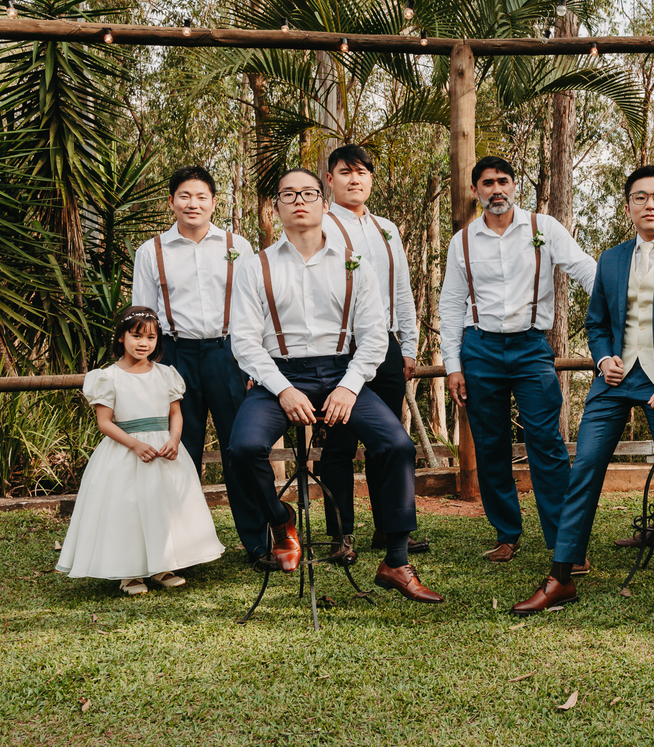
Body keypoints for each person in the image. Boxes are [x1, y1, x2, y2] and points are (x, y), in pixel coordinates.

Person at [510, 165, 654, 630]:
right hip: (616, 381)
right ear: (628, 207)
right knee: (584, 466)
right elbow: (597, 323)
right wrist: (603, 357)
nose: (650, 204)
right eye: (640, 197)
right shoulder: (610, 259)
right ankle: (561, 576)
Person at [227, 169, 442, 604]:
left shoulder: (354, 263)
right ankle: (280, 518)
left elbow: (375, 337)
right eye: (288, 194)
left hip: (341, 372)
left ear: (324, 205)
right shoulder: (255, 266)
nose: (299, 201)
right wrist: (282, 389)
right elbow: (244, 342)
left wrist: (349, 386)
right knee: (243, 448)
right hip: (279, 375)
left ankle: (396, 561)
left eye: (308, 193)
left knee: (397, 445)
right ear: (276, 208)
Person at [439, 156, 596, 565]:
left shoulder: (544, 228)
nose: (496, 189)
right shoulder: (463, 241)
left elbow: (583, 268)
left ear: (514, 186)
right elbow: (451, 305)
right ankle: (507, 533)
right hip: (480, 349)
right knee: (490, 446)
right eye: (488, 183)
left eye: (503, 181)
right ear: (476, 190)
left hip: (531, 347)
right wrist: (453, 366)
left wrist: (619, 296)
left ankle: (565, 542)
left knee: (546, 443)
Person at [131, 167, 268, 567]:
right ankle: (178, 549)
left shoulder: (237, 246)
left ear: (213, 202)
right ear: (171, 201)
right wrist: (146, 371)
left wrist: (255, 368)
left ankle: (258, 544)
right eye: (185, 196)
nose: (193, 204)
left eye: (201, 196)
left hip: (228, 355)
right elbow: (143, 315)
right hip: (175, 356)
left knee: (239, 449)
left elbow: (254, 309)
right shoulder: (151, 251)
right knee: (179, 451)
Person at [56, 307, 225, 594]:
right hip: (126, 451)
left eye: (151, 337)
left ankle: (162, 565)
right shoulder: (108, 377)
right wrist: (134, 444)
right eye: (136, 336)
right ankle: (129, 573)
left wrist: (174, 439)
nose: (143, 343)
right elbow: (104, 422)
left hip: (162, 451)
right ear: (121, 337)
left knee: (162, 507)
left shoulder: (166, 374)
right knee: (128, 510)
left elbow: (176, 413)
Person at [315, 145, 426, 565]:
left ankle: (389, 529)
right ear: (330, 179)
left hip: (386, 347)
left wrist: (408, 346)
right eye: (345, 172)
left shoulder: (387, 228)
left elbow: (402, 289)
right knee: (339, 445)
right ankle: (340, 535)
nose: (354, 179)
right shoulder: (320, 225)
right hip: (338, 350)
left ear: (371, 179)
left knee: (387, 441)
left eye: (362, 172)